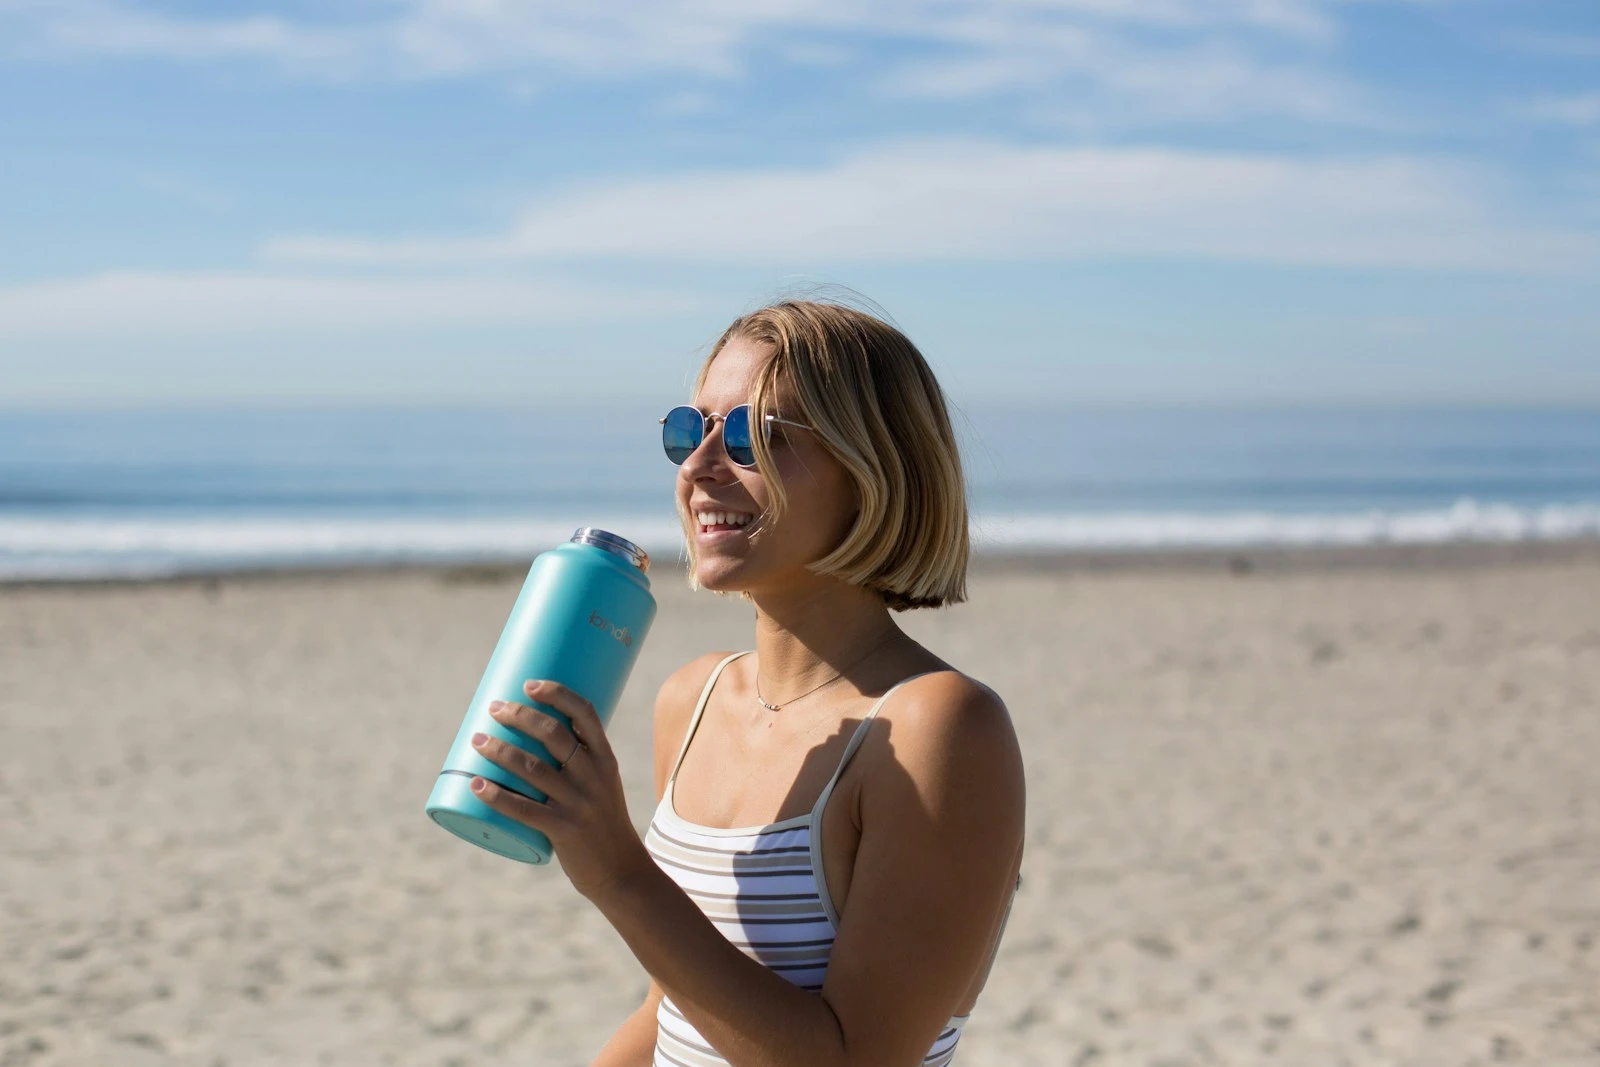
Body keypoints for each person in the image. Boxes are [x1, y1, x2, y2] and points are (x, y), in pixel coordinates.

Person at [466, 298, 1027, 1066]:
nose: (697, 469)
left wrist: (620, 873)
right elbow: (678, 1008)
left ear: (871, 469)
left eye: (754, 438)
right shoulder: (692, 698)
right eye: (688, 432)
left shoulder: (941, 726)